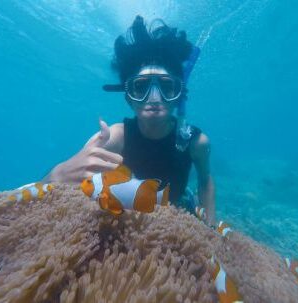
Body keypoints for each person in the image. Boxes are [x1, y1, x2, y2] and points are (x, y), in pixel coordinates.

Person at [45, 16, 215, 224]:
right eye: (141, 87)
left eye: (167, 87)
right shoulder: (114, 138)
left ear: (179, 95)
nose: (154, 98)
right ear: (128, 97)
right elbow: (68, 186)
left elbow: (205, 181)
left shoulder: (196, 142)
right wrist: (57, 175)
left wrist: (211, 225)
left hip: (178, 207)